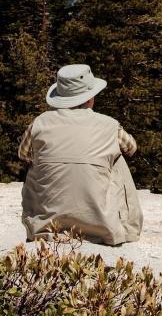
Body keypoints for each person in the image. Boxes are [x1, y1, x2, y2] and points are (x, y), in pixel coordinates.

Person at [19, 64, 143, 245]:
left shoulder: (40, 123)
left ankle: (47, 222)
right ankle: (122, 227)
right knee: (116, 158)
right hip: (102, 223)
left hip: (45, 224)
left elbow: (23, 154)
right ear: (90, 98)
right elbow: (131, 148)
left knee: (36, 160)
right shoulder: (109, 125)